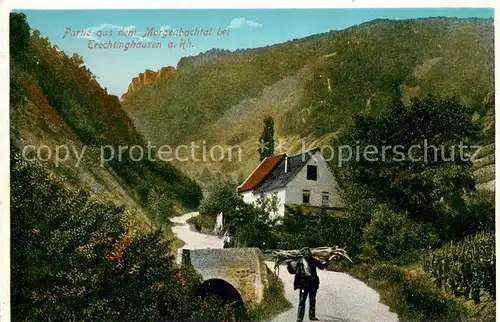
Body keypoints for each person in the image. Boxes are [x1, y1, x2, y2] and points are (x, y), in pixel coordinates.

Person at [293, 248, 328, 322]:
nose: (307, 256)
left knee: (312, 299)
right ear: (303, 255)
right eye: (306, 254)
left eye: (308, 254)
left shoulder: (313, 260)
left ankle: (312, 316)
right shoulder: (299, 262)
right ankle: (299, 317)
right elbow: (292, 271)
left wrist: (326, 261)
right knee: (302, 300)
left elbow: (321, 266)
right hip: (303, 283)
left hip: (312, 283)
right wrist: (289, 264)